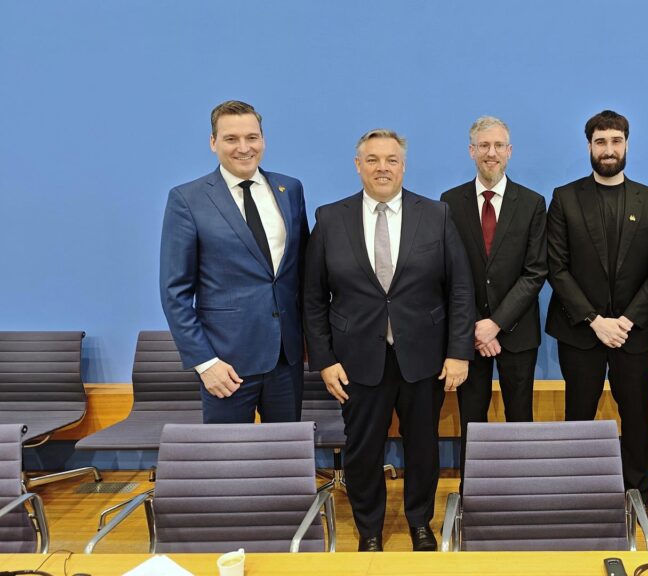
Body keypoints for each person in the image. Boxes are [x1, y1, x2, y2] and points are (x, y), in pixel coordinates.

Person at [303, 129, 474, 552]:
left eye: (392, 160)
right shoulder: (330, 218)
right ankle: (370, 530)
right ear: (358, 165)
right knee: (362, 450)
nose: (383, 167)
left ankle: (420, 522)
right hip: (356, 360)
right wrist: (324, 360)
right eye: (373, 159)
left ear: (404, 165)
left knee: (423, 447)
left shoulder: (436, 215)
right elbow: (311, 298)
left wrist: (458, 353)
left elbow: (460, 290)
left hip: (424, 358)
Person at [546, 110, 648, 535]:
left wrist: (626, 321)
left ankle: (640, 497)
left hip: (634, 334)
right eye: (600, 142)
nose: (608, 150)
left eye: (616, 141)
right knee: (579, 415)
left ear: (627, 145)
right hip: (580, 331)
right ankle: (577, 496)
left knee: (636, 417)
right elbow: (556, 269)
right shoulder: (564, 198)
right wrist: (596, 320)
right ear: (589, 147)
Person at [160, 100, 308, 424]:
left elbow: (301, 274)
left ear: (263, 140)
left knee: (284, 461)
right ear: (213, 143)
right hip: (226, 365)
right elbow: (175, 293)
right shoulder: (188, 199)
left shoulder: (290, 190)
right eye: (231, 139)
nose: (244, 147)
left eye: (252, 137)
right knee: (226, 463)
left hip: (286, 360)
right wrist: (205, 362)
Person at [439, 116, 547, 487]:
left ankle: (521, 490)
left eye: (499, 146)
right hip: (468, 334)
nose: (491, 153)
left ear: (509, 152)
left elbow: (535, 272)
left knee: (520, 416)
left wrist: (496, 323)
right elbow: (450, 273)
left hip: (516, 331)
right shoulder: (449, 203)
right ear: (472, 151)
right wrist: (475, 326)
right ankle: (475, 492)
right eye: (483, 146)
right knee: (472, 417)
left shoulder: (532, 203)